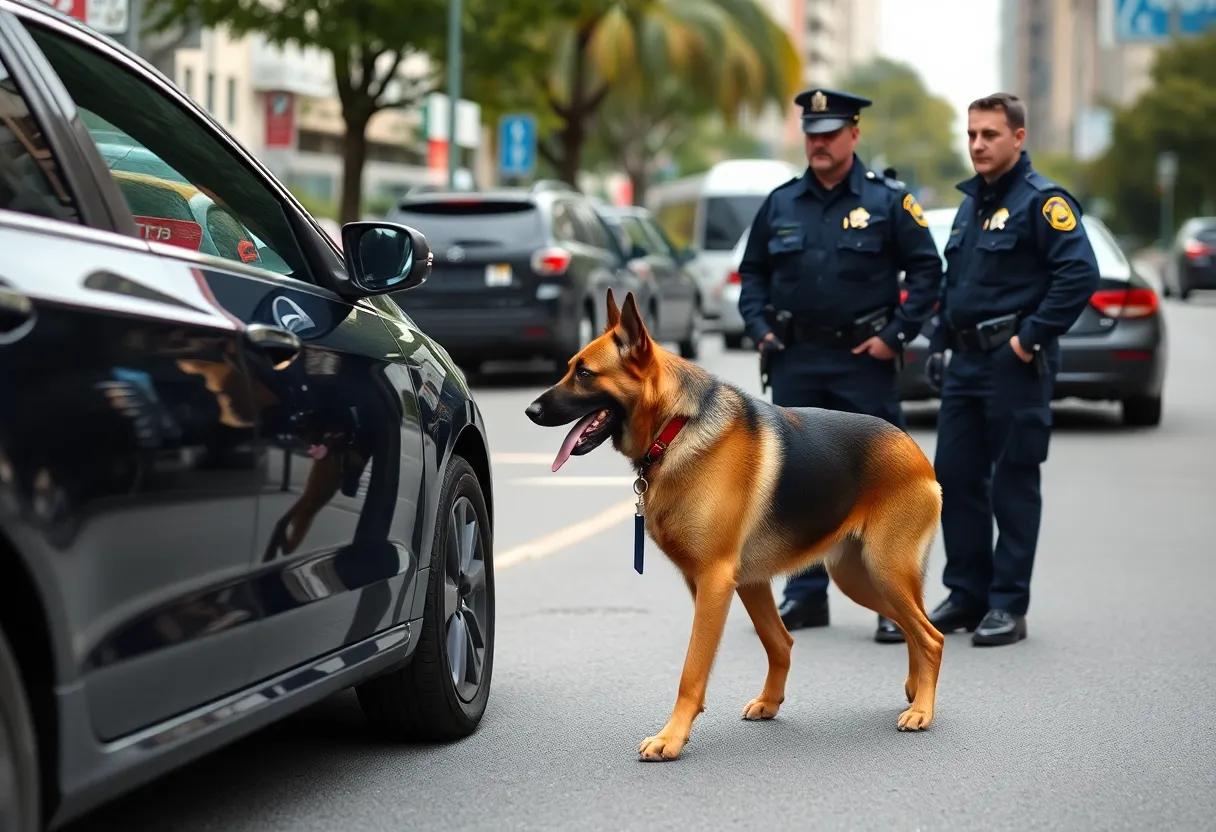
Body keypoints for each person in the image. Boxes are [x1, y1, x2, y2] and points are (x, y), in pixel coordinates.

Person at [736, 88, 943, 641]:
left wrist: (895, 335)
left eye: (829, 134)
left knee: (878, 481)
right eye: (811, 135)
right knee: (796, 480)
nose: (819, 144)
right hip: (797, 358)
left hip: (863, 361)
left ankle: (890, 602)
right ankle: (805, 594)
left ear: (854, 134)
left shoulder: (888, 201)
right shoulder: (780, 203)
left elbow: (927, 273)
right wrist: (761, 329)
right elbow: (751, 276)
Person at [916, 92, 1100, 647]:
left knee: (1013, 484)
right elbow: (957, 285)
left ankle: (1007, 604)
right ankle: (967, 593)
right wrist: (940, 343)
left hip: (1015, 365)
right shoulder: (972, 204)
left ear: (1019, 138)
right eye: (972, 134)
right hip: (966, 364)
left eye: (989, 134)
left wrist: (1028, 339)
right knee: (955, 479)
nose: (977, 144)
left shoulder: (1043, 203)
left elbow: (1079, 275)